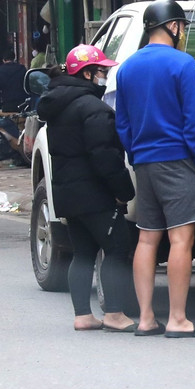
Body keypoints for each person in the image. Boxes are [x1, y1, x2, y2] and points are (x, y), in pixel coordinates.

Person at [115, 0, 195, 339]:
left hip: (144, 161)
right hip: (178, 161)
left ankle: (145, 319)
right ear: (173, 26)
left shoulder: (127, 68)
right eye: (182, 27)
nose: (183, 33)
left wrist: (137, 153)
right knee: (180, 239)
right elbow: (194, 122)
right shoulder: (182, 64)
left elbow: (123, 123)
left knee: (147, 238)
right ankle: (177, 319)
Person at [37, 45, 136, 332]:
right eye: (102, 71)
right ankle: (115, 314)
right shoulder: (94, 108)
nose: (105, 76)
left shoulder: (58, 105)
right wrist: (124, 191)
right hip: (95, 195)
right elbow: (104, 156)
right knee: (117, 248)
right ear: (88, 73)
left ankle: (83, 315)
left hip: (67, 193)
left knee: (82, 253)